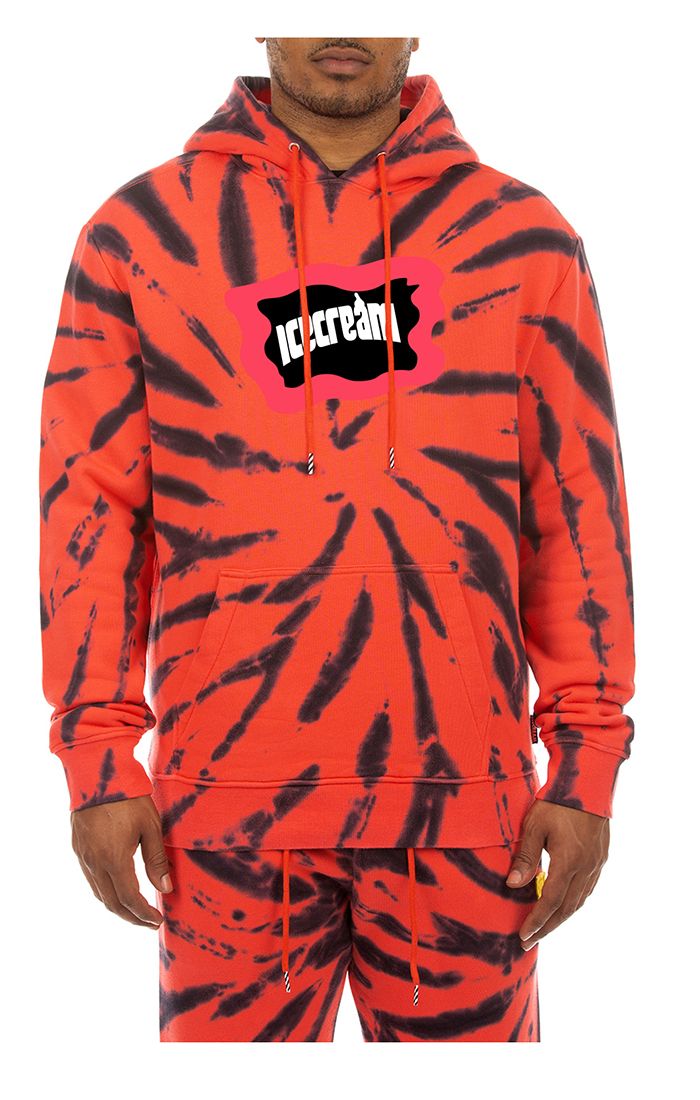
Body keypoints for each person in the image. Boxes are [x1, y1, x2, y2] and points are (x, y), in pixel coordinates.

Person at [38, 37, 635, 1043]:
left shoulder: (525, 239)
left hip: (466, 813)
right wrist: (96, 756)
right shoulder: (137, 234)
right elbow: (89, 513)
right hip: (222, 815)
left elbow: (575, 513)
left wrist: (586, 761)